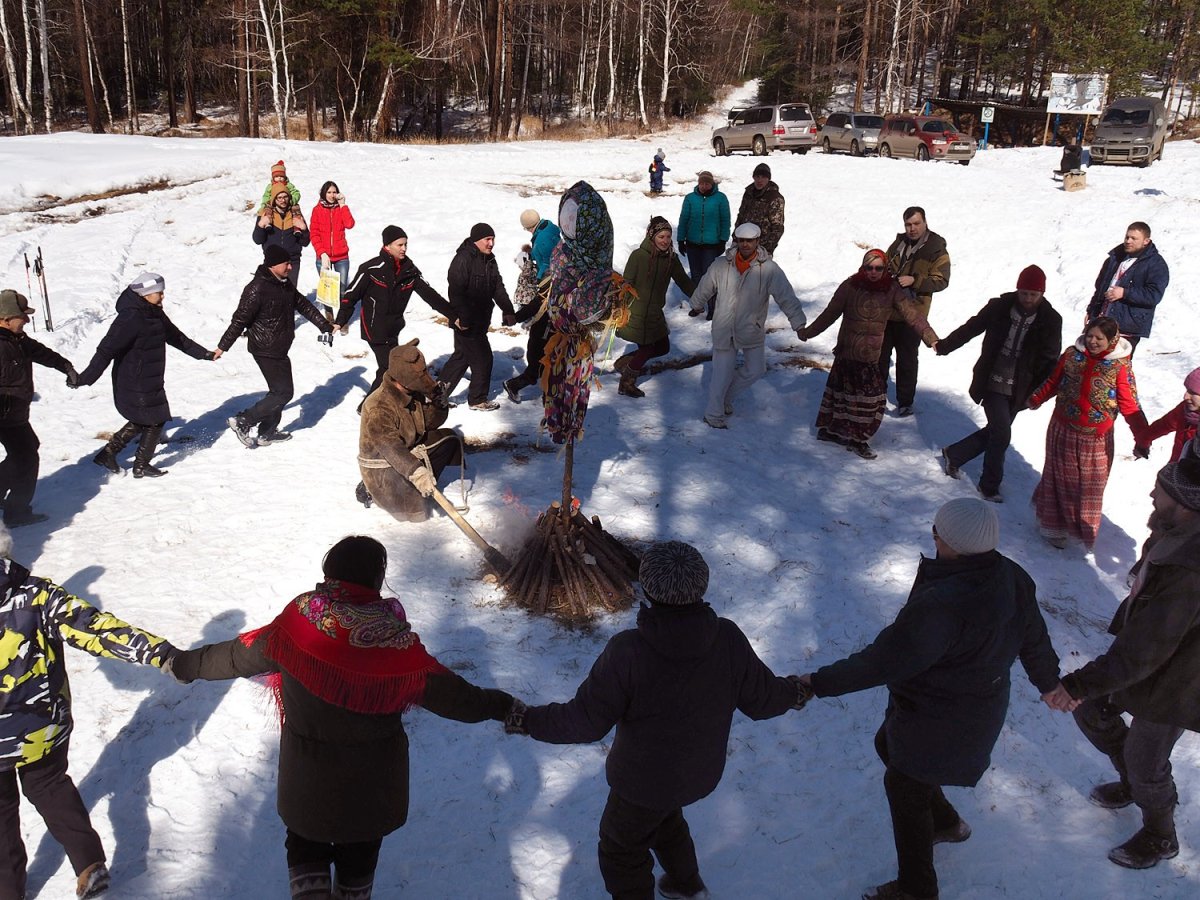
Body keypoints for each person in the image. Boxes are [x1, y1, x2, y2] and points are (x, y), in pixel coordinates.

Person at [167, 535, 513, 900]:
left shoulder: (300, 620)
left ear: (329, 570)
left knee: (305, 851)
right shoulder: (395, 642)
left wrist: (184, 664)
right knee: (357, 873)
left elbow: (239, 655)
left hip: (307, 788)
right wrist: (504, 706)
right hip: (372, 797)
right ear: (376, 580)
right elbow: (456, 699)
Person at [503, 541, 812, 900]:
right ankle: (687, 885)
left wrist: (528, 720)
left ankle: (683, 885)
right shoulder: (726, 637)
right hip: (698, 773)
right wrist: (796, 692)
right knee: (666, 818)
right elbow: (763, 699)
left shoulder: (629, 651)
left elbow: (585, 721)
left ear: (647, 591)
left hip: (641, 783)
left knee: (621, 850)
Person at [801, 498, 1066, 900]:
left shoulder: (943, 605)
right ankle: (946, 823)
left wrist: (815, 683)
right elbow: (1035, 637)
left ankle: (916, 889)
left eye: (936, 531)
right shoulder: (1010, 574)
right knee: (887, 745)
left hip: (942, 715)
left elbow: (884, 660)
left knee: (904, 785)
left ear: (945, 539)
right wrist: (1048, 681)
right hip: (972, 705)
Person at [0, 521, 178, 900]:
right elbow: (94, 629)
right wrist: (156, 651)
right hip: (41, 728)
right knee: (49, 786)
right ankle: (89, 863)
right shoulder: (36, 595)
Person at [1052, 458, 1200, 870]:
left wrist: (1080, 684)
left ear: (1186, 505)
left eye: (1161, 491)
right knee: (1094, 713)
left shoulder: (1191, 568)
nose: (1152, 494)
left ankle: (1160, 835)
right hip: (1156, 659)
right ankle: (1134, 783)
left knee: (1145, 760)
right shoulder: (1175, 533)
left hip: (1183, 678)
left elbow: (1148, 648)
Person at [935, 265, 1062, 500]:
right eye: (1024, 293)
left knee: (996, 431)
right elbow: (972, 327)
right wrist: (945, 345)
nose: (1027, 299)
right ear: (1017, 289)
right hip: (992, 380)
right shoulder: (999, 307)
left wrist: (1040, 393)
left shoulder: (1051, 320)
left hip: (1020, 388)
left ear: (1042, 294)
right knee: (1002, 434)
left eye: (1033, 294)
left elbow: (1050, 360)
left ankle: (955, 454)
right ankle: (989, 486)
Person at [77, 272, 220, 478]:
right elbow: (106, 350)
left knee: (142, 419)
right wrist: (87, 377)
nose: (162, 297)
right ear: (144, 294)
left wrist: (204, 354)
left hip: (149, 377)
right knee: (155, 419)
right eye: (158, 293)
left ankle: (107, 454)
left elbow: (177, 338)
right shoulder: (130, 317)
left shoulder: (154, 313)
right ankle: (141, 465)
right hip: (134, 379)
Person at [799, 249, 936, 460]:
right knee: (841, 396)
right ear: (863, 268)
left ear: (885, 268)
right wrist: (809, 332)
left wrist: (931, 339)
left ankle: (858, 438)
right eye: (869, 268)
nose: (873, 272)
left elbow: (913, 315)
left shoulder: (891, 289)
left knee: (871, 400)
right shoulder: (850, 286)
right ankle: (832, 432)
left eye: (878, 268)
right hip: (847, 352)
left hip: (870, 355)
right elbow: (830, 313)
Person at [1027, 316, 1148, 548]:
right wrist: (1036, 398)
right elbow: (1054, 381)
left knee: (1089, 485)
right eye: (1089, 335)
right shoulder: (1073, 355)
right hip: (1062, 428)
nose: (1092, 341)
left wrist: (1142, 436)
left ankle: (1080, 528)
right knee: (1058, 478)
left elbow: (1130, 404)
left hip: (1096, 438)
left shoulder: (1120, 366)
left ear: (1112, 340)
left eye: (1099, 338)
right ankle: (1055, 527)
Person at [688, 222, 806, 429]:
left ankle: (726, 399)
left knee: (756, 369)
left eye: (749, 241)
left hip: (752, 327)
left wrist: (798, 323)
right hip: (724, 327)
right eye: (741, 240)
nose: (745, 244)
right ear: (736, 240)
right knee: (721, 374)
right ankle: (713, 415)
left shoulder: (769, 269)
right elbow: (706, 285)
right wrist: (696, 304)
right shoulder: (721, 264)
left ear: (757, 241)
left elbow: (786, 297)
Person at [222, 245, 335, 449]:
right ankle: (244, 420)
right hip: (265, 348)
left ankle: (267, 432)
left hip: (279, 347)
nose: (291, 267)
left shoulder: (284, 284)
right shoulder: (257, 288)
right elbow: (239, 320)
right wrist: (223, 347)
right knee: (283, 393)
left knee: (278, 391)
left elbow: (304, 305)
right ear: (273, 265)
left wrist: (325, 325)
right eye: (287, 264)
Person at [336, 225, 457, 405]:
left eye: (405, 244)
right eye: (399, 245)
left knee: (389, 369)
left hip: (393, 328)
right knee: (390, 368)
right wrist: (340, 321)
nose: (404, 248)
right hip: (374, 328)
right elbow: (350, 296)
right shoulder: (371, 269)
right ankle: (371, 406)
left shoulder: (410, 270)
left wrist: (453, 315)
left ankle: (375, 404)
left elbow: (430, 295)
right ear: (387, 246)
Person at [356, 340, 462, 521]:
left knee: (449, 439)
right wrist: (416, 472)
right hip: (387, 467)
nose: (426, 379)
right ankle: (372, 489)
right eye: (420, 375)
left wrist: (439, 406)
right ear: (404, 377)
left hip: (405, 453)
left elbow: (427, 424)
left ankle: (426, 485)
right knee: (417, 516)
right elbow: (389, 446)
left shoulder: (411, 392)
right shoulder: (379, 406)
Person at [0, 289, 77, 526]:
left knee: (26, 450)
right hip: (4, 414)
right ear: (6, 316)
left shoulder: (17, 339)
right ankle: (17, 513)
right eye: (22, 315)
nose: (27, 319)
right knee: (26, 457)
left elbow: (41, 353)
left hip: (15, 414)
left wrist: (65, 366)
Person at [879, 207, 950, 417]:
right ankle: (876, 396)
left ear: (925, 222)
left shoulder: (936, 248)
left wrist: (915, 281)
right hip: (888, 311)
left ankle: (905, 401)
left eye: (916, 224)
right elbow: (884, 265)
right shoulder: (899, 244)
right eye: (908, 224)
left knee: (907, 359)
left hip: (913, 314)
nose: (912, 229)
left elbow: (942, 280)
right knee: (880, 356)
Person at [614, 217, 695, 398]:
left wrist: (700, 297)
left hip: (655, 311)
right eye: (661, 237)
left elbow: (683, 280)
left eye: (668, 236)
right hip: (637, 311)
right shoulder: (638, 256)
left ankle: (627, 363)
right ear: (652, 237)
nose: (665, 241)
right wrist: (622, 308)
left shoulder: (671, 259)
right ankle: (626, 383)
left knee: (663, 347)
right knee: (647, 348)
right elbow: (626, 283)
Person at [442, 223, 517, 411]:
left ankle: (434, 396)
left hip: (480, 320)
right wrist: (463, 317)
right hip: (466, 322)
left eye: (493, 239)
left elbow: (498, 288)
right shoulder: (463, 259)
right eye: (487, 239)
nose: (491, 243)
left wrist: (508, 310)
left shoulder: (490, 260)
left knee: (461, 358)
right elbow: (455, 291)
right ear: (476, 240)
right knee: (483, 358)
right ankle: (477, 399)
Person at [1084, 221, 1170, 354]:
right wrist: (1092, 311)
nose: (1128, 241)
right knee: (1089, 363)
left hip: (1127, 325)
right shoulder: (1115, 258)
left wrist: (1125, 293)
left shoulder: (1156, 264)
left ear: (1146, 241)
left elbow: (1154, 295)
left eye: (1134, 238)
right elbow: (1100, 288)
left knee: (1117, 367)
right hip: (1101, 321)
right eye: (1127, 237)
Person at [503, 208, 561, 403]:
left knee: (539, 363)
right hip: (545, 325)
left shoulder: (541, 248)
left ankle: (543, 395)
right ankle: (548, 397)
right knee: (542, 364)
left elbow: (536, 303)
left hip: (543, 326)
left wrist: (539, 278)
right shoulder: (551, 228)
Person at [677, 170, 730, 320]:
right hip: (693, 243)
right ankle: (697, 305)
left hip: (711, 245)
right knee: (696, 276)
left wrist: (723, 240)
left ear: (712, 184)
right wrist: (681, 240)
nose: (704, 186)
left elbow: (725, 220)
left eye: (707, 183)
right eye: (701, 183)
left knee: (710, 277)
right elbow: (684, 219)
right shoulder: (690, 198)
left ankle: (713, 307)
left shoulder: (720, 198)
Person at [1134, 367, 1200, 462]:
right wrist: (1142, 441)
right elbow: (1163, 425)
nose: (1185, 396)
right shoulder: (1184, 411)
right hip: (1176, 470)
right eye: (1187, 390)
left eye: (1193, 393)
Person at [253, 183, 310, 287]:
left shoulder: (296, 214)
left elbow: (305, 242)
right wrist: (260, 225)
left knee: (290, 294)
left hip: (292, 261)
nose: (283, 200)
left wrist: (304, 229)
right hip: (272, 262)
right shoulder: (266, 215)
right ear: (274, 199)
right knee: (271, 295)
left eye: (285, 197)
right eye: (279, 197)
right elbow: (257, 240)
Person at [308, 179, 356, 293]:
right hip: (324, 257)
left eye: (334, 192)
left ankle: (342, 311)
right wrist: (322, 253)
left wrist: (343, 205)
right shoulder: (317, 210)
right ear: (324, 193)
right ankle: (328, 311)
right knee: (327, 291)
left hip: (341, 257)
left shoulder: (340, 208)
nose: (332, 195)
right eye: (329, 192)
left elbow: (349, 224)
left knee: (342, 290)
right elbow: (314, 234)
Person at [733, 163, 784, 255]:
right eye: (757, 176)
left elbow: (777, 228)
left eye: (763, 177)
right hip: (743, 244)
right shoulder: (748, 193)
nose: (760, 180)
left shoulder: (775, 198)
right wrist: (735, 239)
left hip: (761, 247)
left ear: (768, 179)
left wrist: (767, 248)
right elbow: (741, 216)